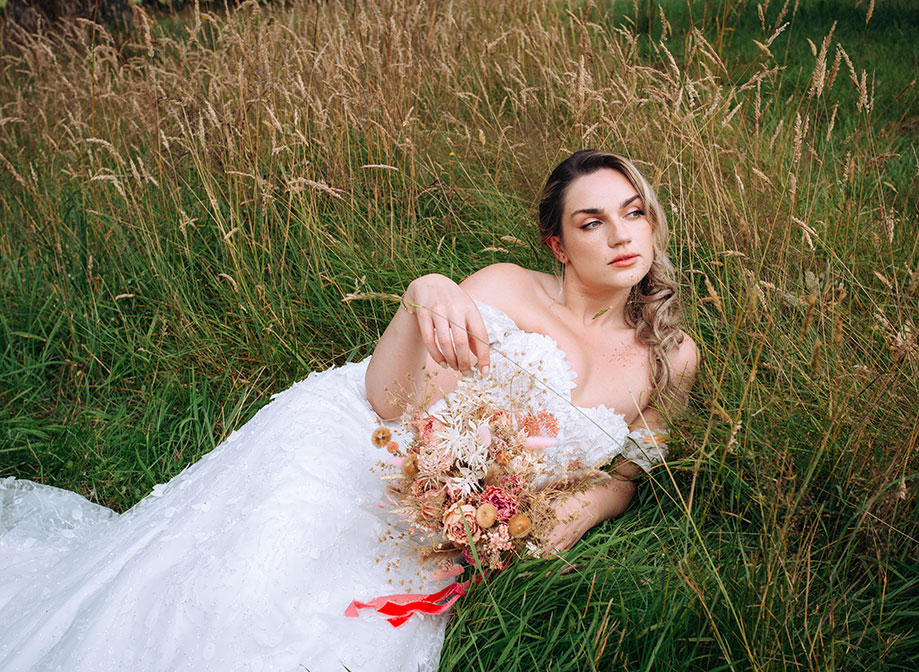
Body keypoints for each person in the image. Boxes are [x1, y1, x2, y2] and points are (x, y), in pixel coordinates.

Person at [0, 150, 696, 671]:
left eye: (633, 212)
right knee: (248, 589)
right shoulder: (508, 288)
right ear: (558, 245)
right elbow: (391, 402)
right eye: (591, 221)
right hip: (360, 439)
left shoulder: (671, 356)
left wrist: (576, 512)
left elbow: (630, 471)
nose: (619, 235)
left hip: (462, 505)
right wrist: (421, 292)